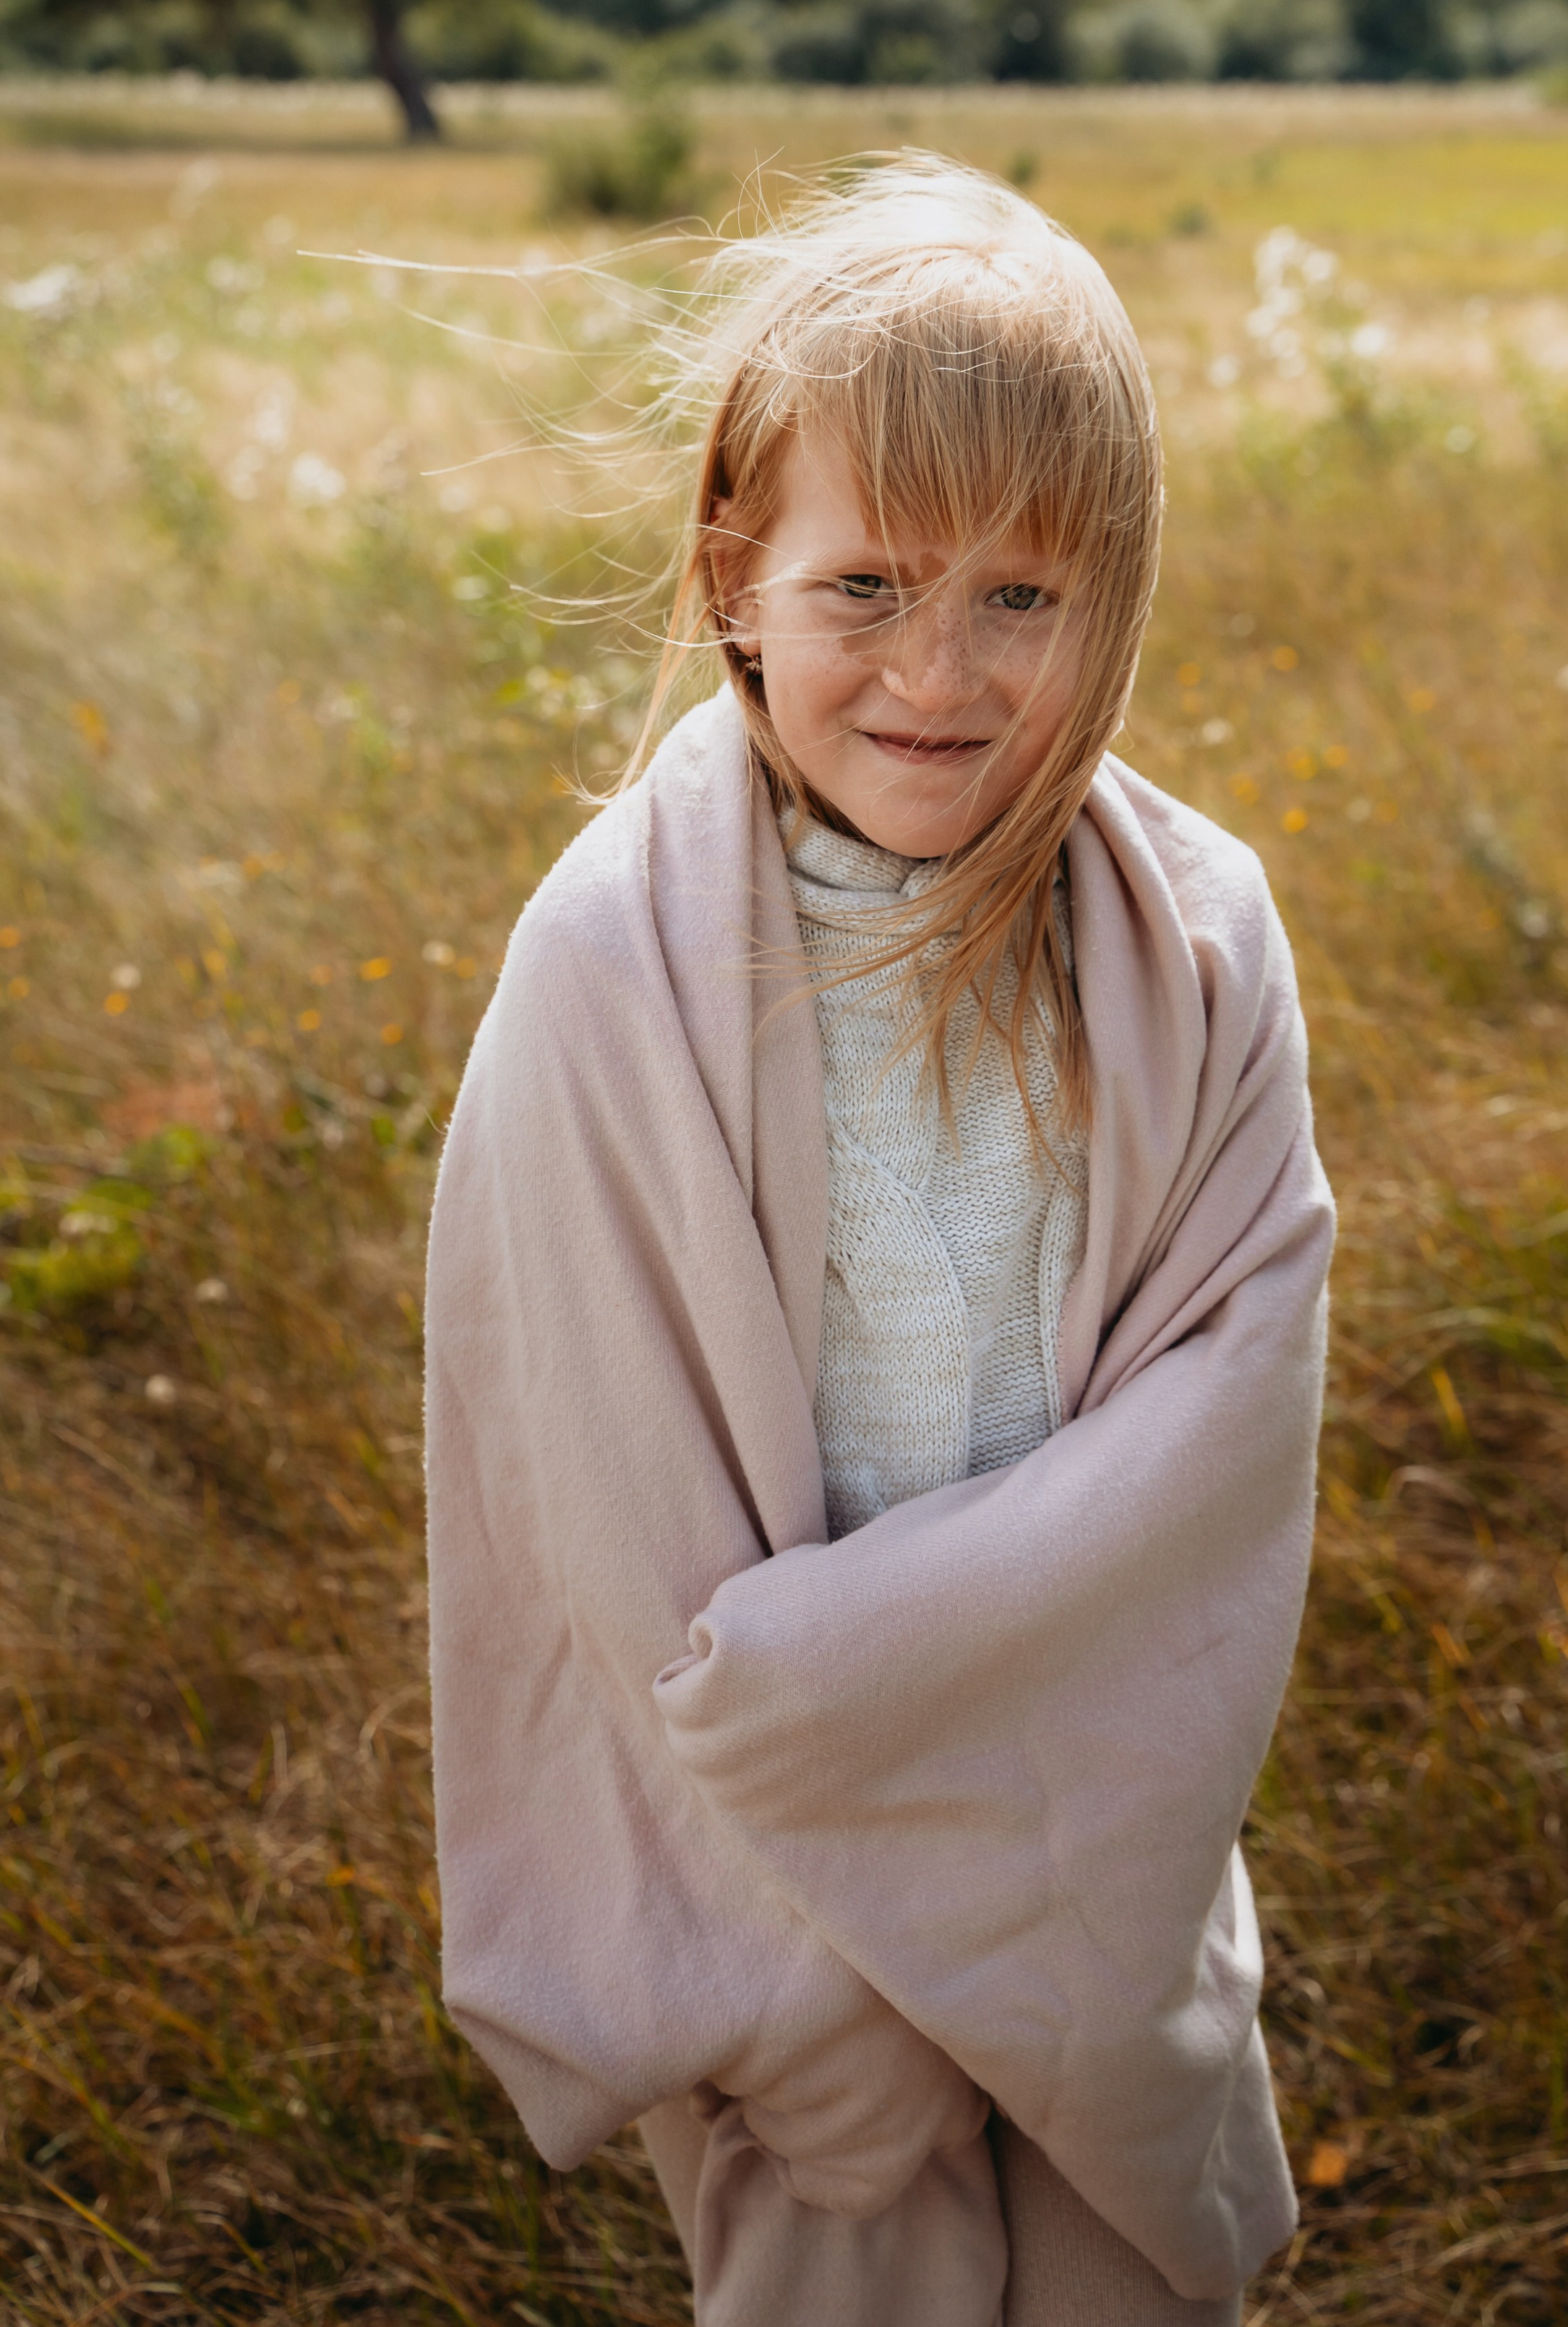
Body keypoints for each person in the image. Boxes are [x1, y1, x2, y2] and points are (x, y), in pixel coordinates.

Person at [424, 156, 1335, 2326]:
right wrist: (812, 1969)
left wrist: (1063, 1878)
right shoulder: (615, 968)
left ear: (1114, 594)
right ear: (742, 572)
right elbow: (606, 1519)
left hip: (1086, 1856)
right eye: (870, 588)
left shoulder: (1194, 944)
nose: (941, 673)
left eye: (1024, 599)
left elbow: (1216, 1436)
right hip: (772, 1930)